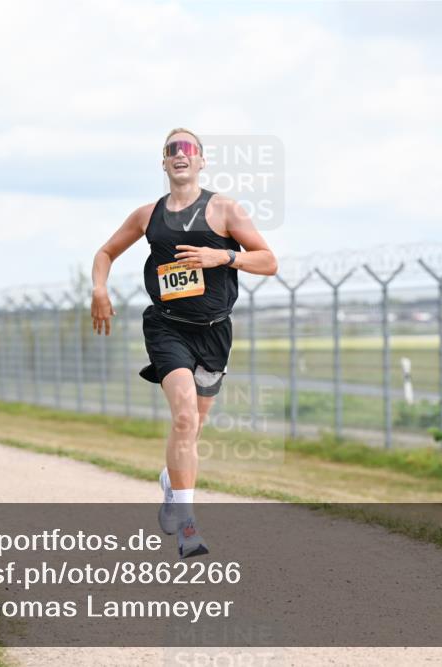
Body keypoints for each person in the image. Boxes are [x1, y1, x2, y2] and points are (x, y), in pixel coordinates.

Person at [90, 128, 278, 558]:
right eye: (172, 149)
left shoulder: (225, 209)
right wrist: (100, 289)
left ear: (201, 161)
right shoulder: (147, 215)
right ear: (163, 162)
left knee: (194, 426)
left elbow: (268, 261)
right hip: (166, 327)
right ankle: (189, 526)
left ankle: (171, 482)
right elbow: (105, 253)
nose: (180, 155)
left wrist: (224, 256)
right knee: (184, 419)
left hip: (214, 331)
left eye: (188, 149)